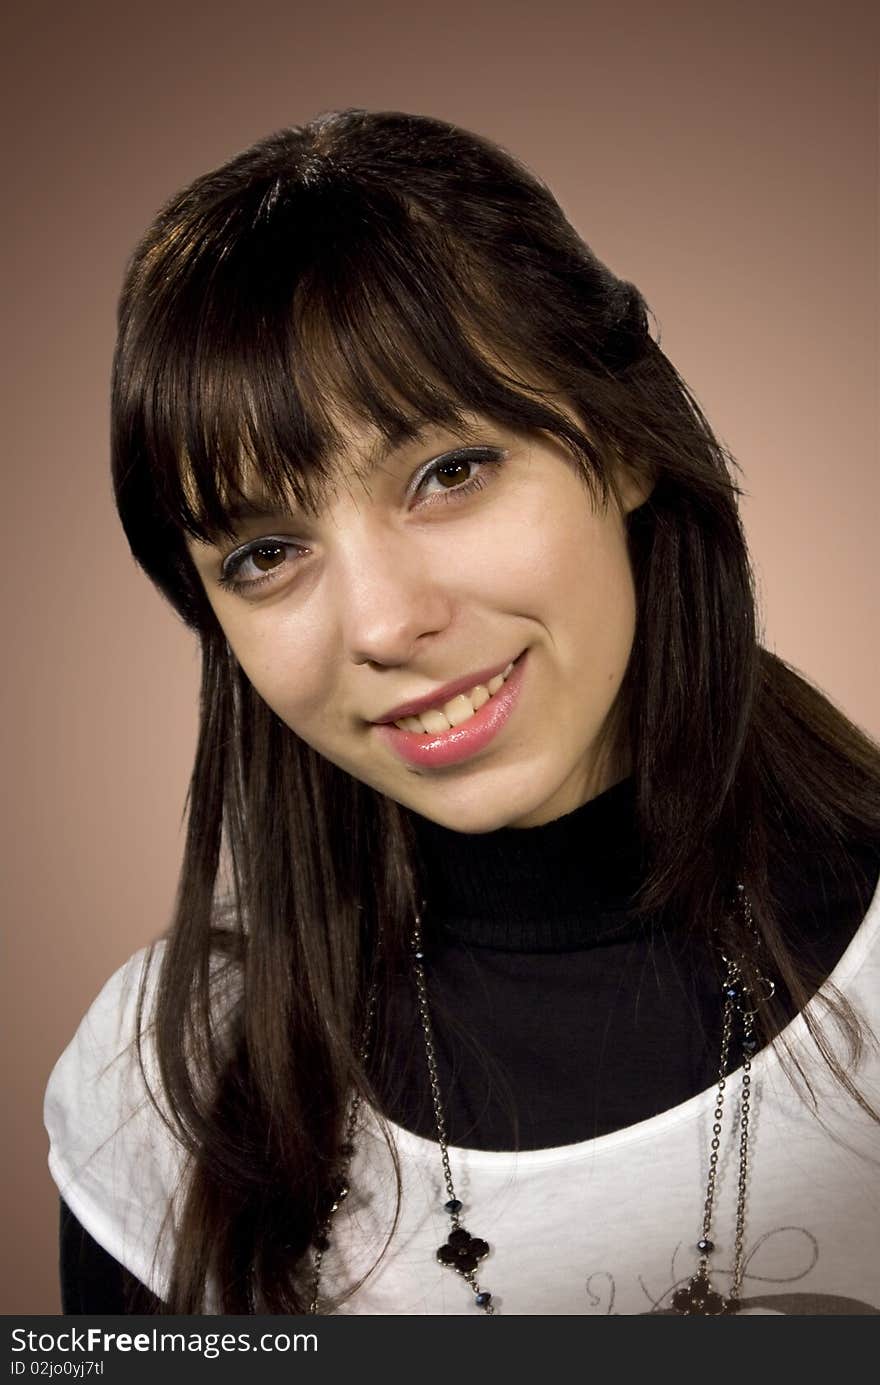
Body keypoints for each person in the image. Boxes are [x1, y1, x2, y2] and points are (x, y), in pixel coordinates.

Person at [44, 107, 880, 1317]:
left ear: (623, 436)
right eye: (267, 552)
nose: (383, 624)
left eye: (448, 472)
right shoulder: (164, 1082)